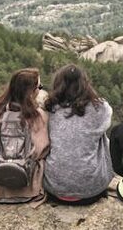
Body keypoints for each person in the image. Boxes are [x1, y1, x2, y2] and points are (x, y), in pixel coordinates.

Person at [43, 64, 113, 205]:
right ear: (85, 84)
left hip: (55, 188)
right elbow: (107, 118)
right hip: (91, 190)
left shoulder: (50, 108)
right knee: (102, 138)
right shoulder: (100, 108)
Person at [0, 68, 50, 203]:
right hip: (29, 189)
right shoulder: (38, 116)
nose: (40, 90)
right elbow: (41, 150)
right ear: (32, 91)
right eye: (39, 87)